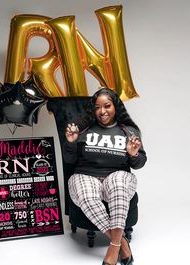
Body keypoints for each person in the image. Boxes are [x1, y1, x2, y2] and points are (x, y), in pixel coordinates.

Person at [63, 87, 147, 265]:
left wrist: (133, 154)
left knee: (118, 183)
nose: (102, 111)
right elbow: (69, 159)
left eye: (107, 106)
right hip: (85, 175)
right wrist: (70, 143)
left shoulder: (129, 131)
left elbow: (139, 164)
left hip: (117, 176)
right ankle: (121, 243)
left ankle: (114, 246)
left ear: (115, 106)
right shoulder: (83, 129)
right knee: (85, 194)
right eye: (97, 107)